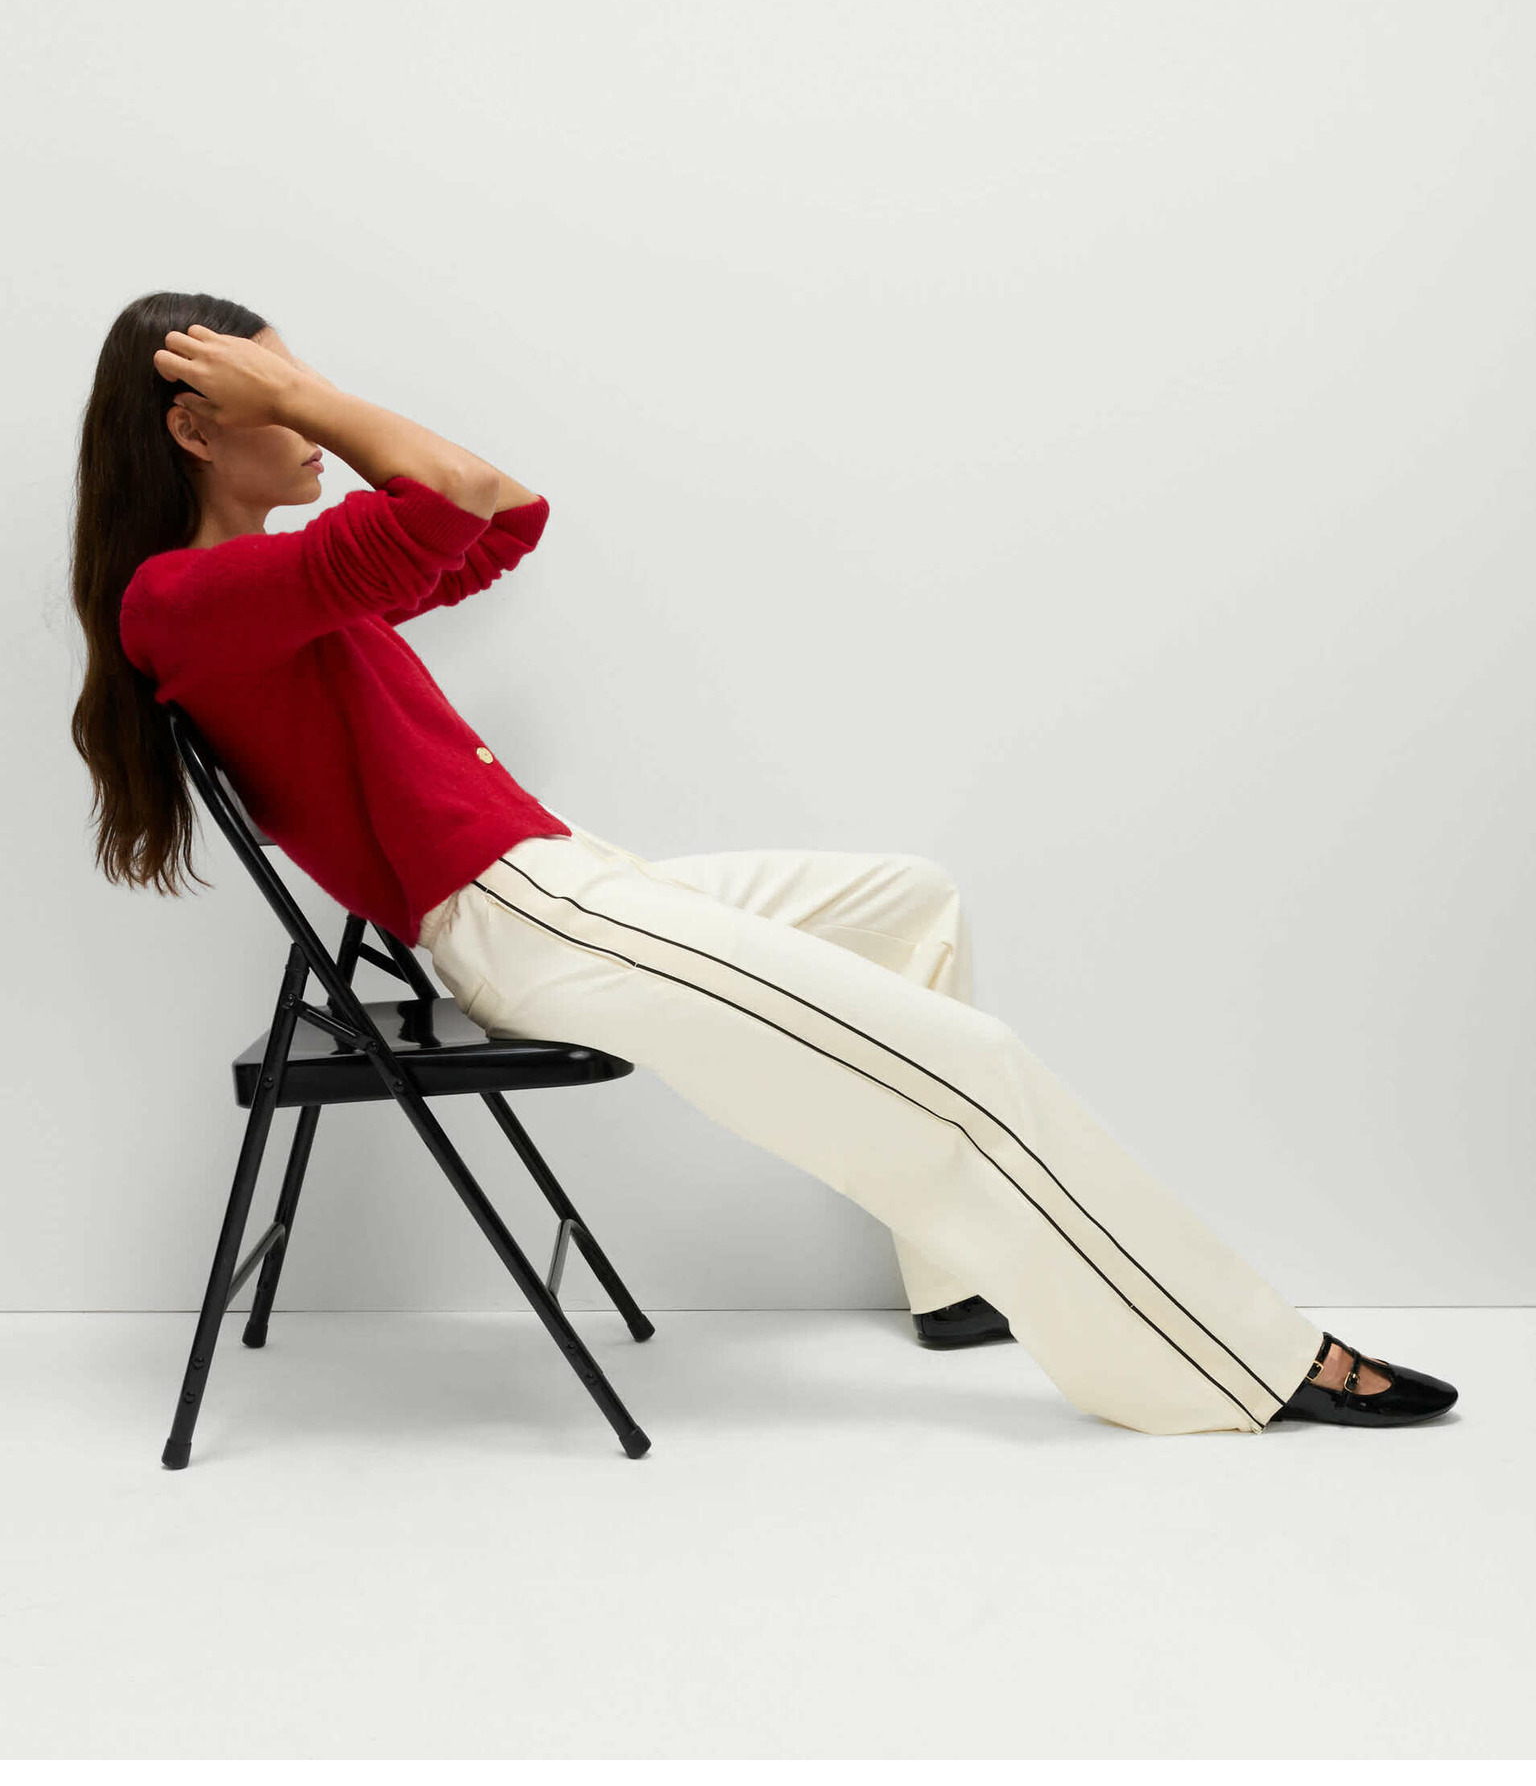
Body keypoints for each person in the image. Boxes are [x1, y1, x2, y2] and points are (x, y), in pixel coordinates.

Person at [69, 290, 1459, 1438]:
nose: (312, 411)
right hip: (530, 920)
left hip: (569, 883)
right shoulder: (184, 600)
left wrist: (293, 391)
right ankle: (1243, 1362)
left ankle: (955, 1283)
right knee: (969, 1066)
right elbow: (458, 493)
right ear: (195, 426)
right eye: (279, 393)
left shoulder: (266, 592)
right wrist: (313, 399)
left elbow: (506, 517)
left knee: (912, 898)